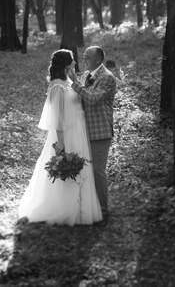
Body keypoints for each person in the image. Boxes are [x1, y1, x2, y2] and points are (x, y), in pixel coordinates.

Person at [18, 49, 103, 225]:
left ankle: (81, 208)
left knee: (81, 167)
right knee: (67, 165)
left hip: (79, 130)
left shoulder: (69, 80)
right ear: (65, 64)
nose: (75, 63)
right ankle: (62, 208)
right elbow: (57, 117)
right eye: (72, 60)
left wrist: (76, 79)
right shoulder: (57, 85)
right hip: (67, 132)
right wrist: (62, 142)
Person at [67, 46, 116, 222]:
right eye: (84, 56)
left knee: (97, 171)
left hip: (100, 132)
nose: (84, 59)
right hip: (84, 131)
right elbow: (80, 97)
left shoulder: (107, 77)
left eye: (87, 57)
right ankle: (90, 208)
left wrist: (75, 82)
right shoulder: (87, 75)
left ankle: (103, 211)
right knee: (87, 170)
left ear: (98, 59)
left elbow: (93, 99)